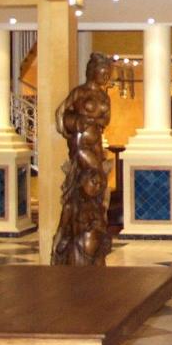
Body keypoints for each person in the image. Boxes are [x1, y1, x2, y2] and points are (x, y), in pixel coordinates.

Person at [51, 53, 113, 266]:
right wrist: (78, 122)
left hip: (95, 146)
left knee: (99, 184)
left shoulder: (105, 97)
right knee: (93, 179)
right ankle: (74, 234)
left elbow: (105, 120)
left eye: (108, 73)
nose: (105, 76)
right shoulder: (79, 93)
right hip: (81, 146)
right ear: (93, 71)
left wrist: (95, 122)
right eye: (103, 72)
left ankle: (94, 229)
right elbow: (61, 115)